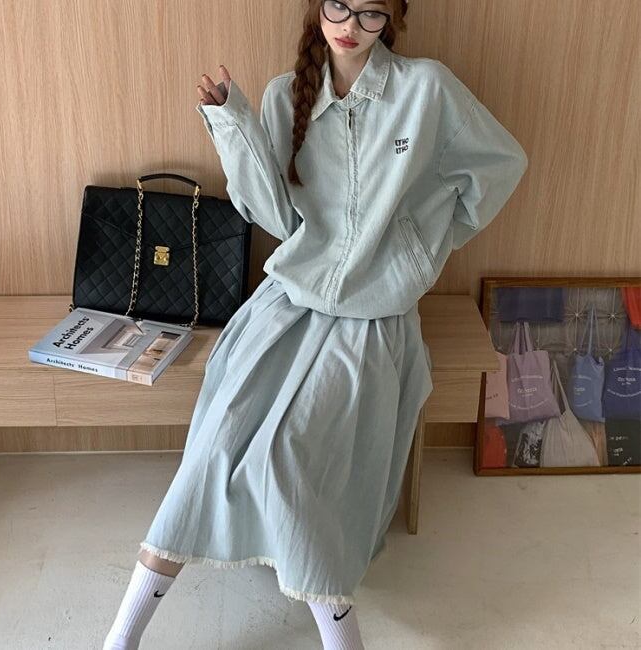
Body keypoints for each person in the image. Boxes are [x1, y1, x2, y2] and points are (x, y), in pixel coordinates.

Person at [103, 1, 528, 648]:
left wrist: (421, 243)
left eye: (371, 13)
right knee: (214, 448)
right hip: (288, 304)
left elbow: (499, 164)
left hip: (372, 317)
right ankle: (122, 636)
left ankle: (341, 637)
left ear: (393, 19)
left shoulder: (426, 89)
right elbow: (275, 214)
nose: (349, 25)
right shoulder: (285, 96)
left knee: (294, 463)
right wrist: (234, 123)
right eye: (337, 5)